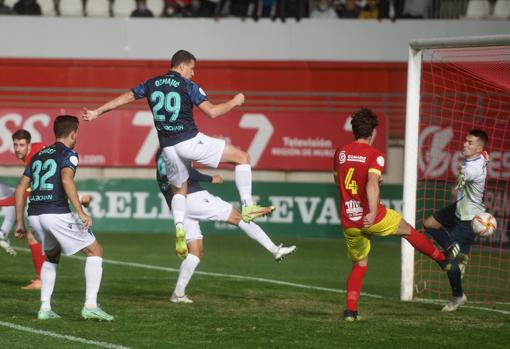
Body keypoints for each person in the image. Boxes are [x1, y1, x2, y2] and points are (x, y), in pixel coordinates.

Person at [82, 49, 274, 260]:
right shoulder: (187, 85)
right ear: (182, 66)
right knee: (243, 157)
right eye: (192, 69)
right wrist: (235, 102)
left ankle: (180, 225)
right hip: (189, 140)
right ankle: (248, 206)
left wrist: (97, 112)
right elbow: (212, 112)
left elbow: (125, 98)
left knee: (179, 190)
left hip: (168, 149)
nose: (193, 74)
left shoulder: (151, 83)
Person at [333, 108, 451, 321]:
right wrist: (370, 211)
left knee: (359, 265)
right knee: (407, 230)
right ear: (373, 133)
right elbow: (370, 183)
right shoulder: (375, 155)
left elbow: (339, 181)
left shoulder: (340, 152)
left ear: (354, 130)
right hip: (373, 216)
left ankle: (351, 310)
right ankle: (443, 260)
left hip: (349, 220)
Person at [155, 149, 296, 303]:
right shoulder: (174, 151)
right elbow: (189, 172)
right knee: (239, 218)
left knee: (196, 253)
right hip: (195, 198)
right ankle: (275, 250)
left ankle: (178, 293)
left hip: (179, 208)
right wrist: (211, 179)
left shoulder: (160, 170)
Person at [14, 115, 113, 321]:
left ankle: (45, 308)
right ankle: (91, 305)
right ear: (74, 133)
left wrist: (20, 222)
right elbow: (67, 180)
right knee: (95, 251)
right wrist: (81, 211)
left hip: (35, 215)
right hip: (55, 212)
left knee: (52, 255)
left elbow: (21, 187)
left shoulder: (38, 155)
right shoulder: (69, 154)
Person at [423, 129, 489, 312]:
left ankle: (457, 296)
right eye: (465, 141)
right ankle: (460, 254)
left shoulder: (471, 169)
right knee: (429, 224)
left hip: (469, 220)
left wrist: (457, 184)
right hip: (459, 209)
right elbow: (484, 156)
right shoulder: (481, 157)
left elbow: (463, 178)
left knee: (449, 261)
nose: (465, 144)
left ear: (479, 148)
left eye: (470, 143)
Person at [0, 130, 47, 289]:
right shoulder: (34, 155)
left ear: (28, 144)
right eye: (15, 145)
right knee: (33, 237)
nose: (17, 148)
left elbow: (21, 196)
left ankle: (43, 281)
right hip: (48, 200)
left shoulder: (34, 159)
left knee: (36, 237)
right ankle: (42, 280)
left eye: (21, 145)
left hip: (51, 202)